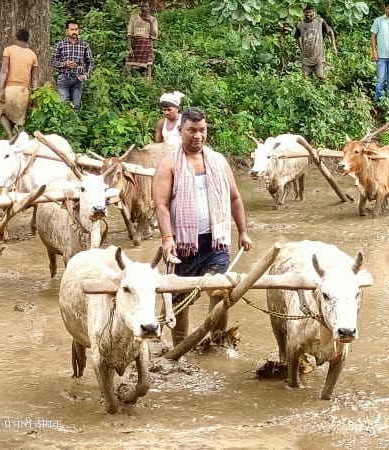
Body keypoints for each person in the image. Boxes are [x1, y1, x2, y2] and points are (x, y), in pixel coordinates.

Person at [152, 107, 253, 346]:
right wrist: (167, 238)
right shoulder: (169, 165)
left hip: (215, 241)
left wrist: (243, 232)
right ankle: (180, 348)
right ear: (180, 131)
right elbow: (161, 205)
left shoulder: (218, 161)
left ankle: (217, 344)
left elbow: (234, 198)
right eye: (191, 130)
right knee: (179, 298)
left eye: (202, 130)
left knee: (220, 291)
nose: (197, 136)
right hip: (182, 245)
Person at [0, 28, 38, 139]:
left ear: (16, 39)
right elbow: (34, 78)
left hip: (10, 89)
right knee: (20, 118)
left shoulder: (8, 50)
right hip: (23, 90)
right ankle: (18, 137)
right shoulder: (33, 55)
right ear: (27, 40)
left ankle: (10, 134)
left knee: (2, 114)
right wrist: (34, 94)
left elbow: (4, 70)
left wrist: (0, 89)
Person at [51, 20, 95, 114]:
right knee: (61, 104)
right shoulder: (60, 45)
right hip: (63, 77)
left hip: (78, 78)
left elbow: (90, 61)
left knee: (76, 106)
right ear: (67, 31)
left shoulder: (84, 45)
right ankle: (60, 122)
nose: (74, 31)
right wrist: (64, 64)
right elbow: (52, 61)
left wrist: (86, 75)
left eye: (76, 29)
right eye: (72, 29)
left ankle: (74, 122)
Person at [294, 4, 337, 80]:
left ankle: (326, 86)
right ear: (303, 12)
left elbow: (330, 32)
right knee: (305, 78)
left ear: (313, 12)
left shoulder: (319, 22)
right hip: (306, 57)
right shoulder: (300, 25)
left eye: (310, 12)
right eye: (306, 12)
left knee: (320, 76)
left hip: (318, 56)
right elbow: (298, 38)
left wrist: (333, 45)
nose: (308, 14)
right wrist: (302, 50)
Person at [124, 1, 158, 79]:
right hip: (136, 43)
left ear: (149, 8)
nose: (143, 8)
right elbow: (130, 33)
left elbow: (154, 35)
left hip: (147, 45)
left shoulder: (153, 20)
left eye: (145, 7)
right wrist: (130, 47)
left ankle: (147, 83)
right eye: (142, 6)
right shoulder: (134, 17)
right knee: (127, 68)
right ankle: (129, 81)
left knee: (148, 67)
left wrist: (150, 22)